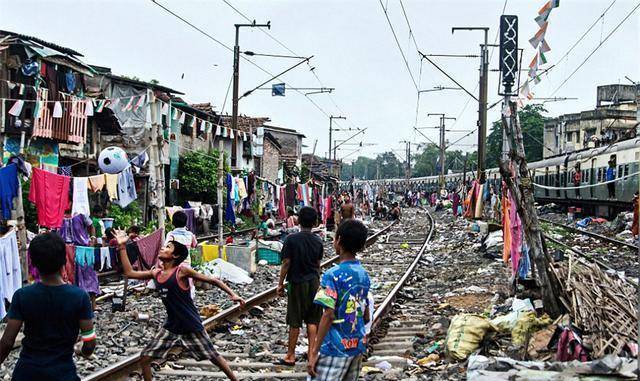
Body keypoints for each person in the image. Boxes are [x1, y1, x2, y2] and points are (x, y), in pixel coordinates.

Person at [114, 230, 245, 381]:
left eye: (167, 247)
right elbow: (129, 272)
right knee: (145, 357)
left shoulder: (181, 271)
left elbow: (214, 281)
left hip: (190, 323)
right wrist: (122, 246)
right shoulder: (156, 273)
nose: (163, 248)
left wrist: (233, 294)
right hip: (172, 325)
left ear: (175, 256)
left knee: (213, 356)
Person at [0, 232, 96, 380]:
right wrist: (82, 351)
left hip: (26, 373)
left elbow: (7, 342)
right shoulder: (80, 297)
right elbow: (89, 344)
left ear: (33, 263)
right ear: (64, 260)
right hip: (62, 374)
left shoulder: (22, 296)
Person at [307, 219, 370, 381]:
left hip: (334, 347)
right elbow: (366, 315)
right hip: (356, 345)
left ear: (339, 241)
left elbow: (328, 314)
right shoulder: (363, 274)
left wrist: (314, 351)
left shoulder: (332, 275)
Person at [277, 206, 323, 366]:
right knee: (313, 320)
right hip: (314, 282)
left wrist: (280, 284)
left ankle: (290, 355)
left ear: (298, 220)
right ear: (315, 222)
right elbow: (318, 264)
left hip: (297, 283)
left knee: (295, 320)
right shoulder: (318, 240)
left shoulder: (291, 239)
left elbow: (286, 263)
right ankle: (311, 355)